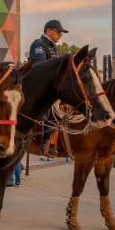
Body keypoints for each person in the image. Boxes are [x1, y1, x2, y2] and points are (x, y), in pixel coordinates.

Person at [28, 19, 68, 158]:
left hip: (52, 88)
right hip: (40, 87)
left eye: (61, 33)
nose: (60, 35)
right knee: (52, 110)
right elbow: (40, 69)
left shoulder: (53, 48)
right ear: (48, 31)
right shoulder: (38, 45)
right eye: (58, 32)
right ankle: (45, 143)